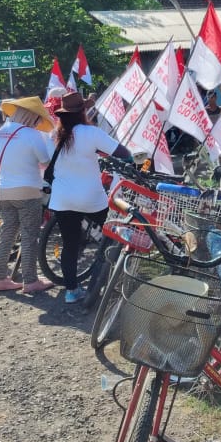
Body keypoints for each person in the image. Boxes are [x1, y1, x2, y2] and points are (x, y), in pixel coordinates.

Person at [48, 91, 133, 303]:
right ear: (83, 112)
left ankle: (71, 291)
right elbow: (123, 153)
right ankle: (117, 278)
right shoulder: (91, 133)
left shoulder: (54, 135)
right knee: (116, 233)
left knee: (69, 245)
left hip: (62, 199)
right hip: (91, 199)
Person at [0, 96, 55, 294]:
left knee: (6, 234)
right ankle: (31, 281)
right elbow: (45, 160)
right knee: (29, 236)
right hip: (28, 191)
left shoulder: (0, 132)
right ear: (32, 116)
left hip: (5, 191)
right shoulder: (32, 135)